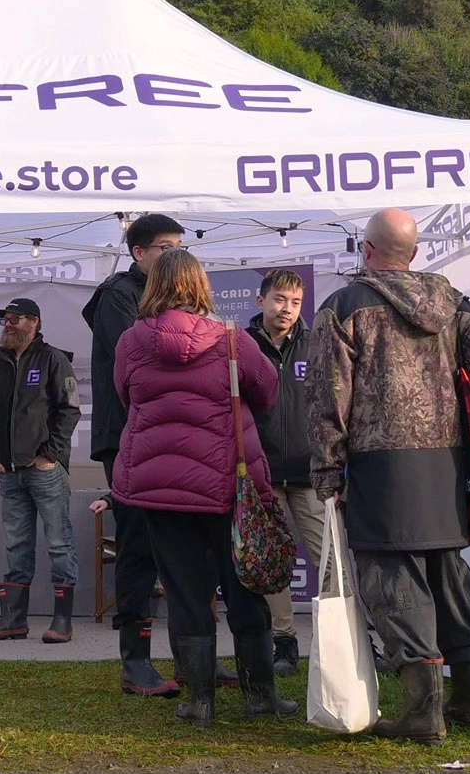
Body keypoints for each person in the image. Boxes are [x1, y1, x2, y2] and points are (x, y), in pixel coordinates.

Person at [307, 208, 470, 743]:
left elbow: (328, 397)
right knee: (449, 577)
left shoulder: (343, 306)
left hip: (381, 466)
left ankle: (424, 713)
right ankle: (469, 701)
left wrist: (327, 468)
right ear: (415, 253)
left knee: (394, 583)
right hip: (446, 464)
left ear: (367, 251)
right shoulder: (450, 300)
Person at [113, 248, 296, 725]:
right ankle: (260, 698)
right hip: (226, 486)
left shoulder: (132, 342)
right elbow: (268, 392)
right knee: (244, 590)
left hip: (159, 488)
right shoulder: (234, 340)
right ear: (200, 287)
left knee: (185, 594)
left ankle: (200, 702)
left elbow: (125, 394)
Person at [82, 213, 184, 694]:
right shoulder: (117, 298)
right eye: (166, 247)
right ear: (138, 253)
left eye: (181, 246)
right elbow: (147, 358)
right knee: (139, 546)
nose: (177, 255)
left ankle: (192, 652)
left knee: (184, 548)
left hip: (172, 436)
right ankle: (135, 660)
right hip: (129, 436)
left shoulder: (175, 301)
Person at [0, 298, 82, 644]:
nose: (8, 324)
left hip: (46, 471)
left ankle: (62, 622)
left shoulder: (53, 359)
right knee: (16, 545)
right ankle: (14, 620)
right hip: (10, 472)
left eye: (14, 318)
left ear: (34, 322)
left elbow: (69, 411)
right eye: (4, 319)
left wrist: (49, 455)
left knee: (58, 543)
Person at [246, 268, 323, 677]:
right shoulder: (242, 347)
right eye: (279, 300)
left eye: (295, 302)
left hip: (310, 474)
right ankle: (284, 641)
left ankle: (339, 640)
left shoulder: (316, 346)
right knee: (274, 563)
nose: (287, 309)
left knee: (329, 560)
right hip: (263, 474)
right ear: (261, 302)